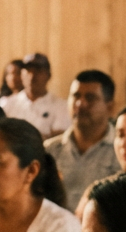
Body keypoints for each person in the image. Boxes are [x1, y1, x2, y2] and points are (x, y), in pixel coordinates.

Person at [44, 70, 121, 211]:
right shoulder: (50, 150)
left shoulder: (122, 150)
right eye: (76, 96)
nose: (80, 104)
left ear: (110, 107)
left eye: (90, 98)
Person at [0, 53, 70, 139]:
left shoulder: (61, 106)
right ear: (21, 74)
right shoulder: (7, 104)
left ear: (48, 76)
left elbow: (59, 137)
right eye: (28, 70)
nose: (32, 76)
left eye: (38, 71)